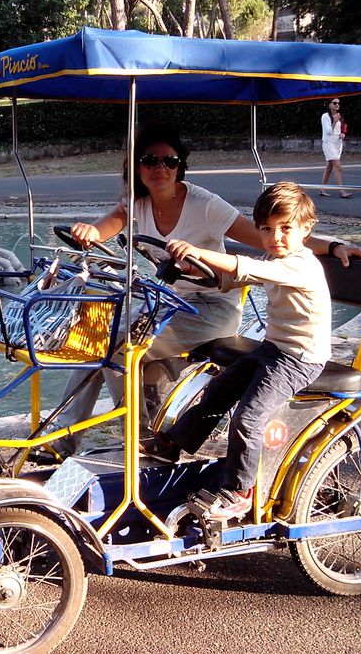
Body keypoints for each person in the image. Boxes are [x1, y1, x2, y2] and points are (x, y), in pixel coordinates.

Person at [51, 122, 361, 456]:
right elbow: (101, 230)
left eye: (169, 161)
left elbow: (269, 237)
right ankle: (61, 442)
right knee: (97, 338)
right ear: (136, 167)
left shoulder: (204, 204)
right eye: (150, 160)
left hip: (210, 308)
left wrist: (332, 246)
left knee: (120, 347)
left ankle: (137, 438)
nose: (160, 168)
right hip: (170, 302)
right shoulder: (136, 204)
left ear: (180, 166)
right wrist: (87, 231)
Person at [142, 182, 330, 520]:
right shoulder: (275, 258)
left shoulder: (300, 265)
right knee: (217, 390)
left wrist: (198, 251)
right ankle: (173, 444)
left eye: (286, 228)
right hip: (273, 349)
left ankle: (240, 490)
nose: (276, 238)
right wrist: (192, 269)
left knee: (249, 418)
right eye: (267, 229)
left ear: (306, 228)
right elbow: (235, 278)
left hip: (300, 359)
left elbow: (246, 267)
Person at [319, 98, 350, 198]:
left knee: (329, 167)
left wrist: (342, 134)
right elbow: (328, 131)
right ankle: (341, 191)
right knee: (338, 167)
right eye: (334, 103)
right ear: (329, 105)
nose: (337, 105)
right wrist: (335, 121)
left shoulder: (339, 116)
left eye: (338, 103)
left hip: (337, 144)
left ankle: (322, 189)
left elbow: (343, 129)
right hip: (329, 143)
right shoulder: (325, 116)